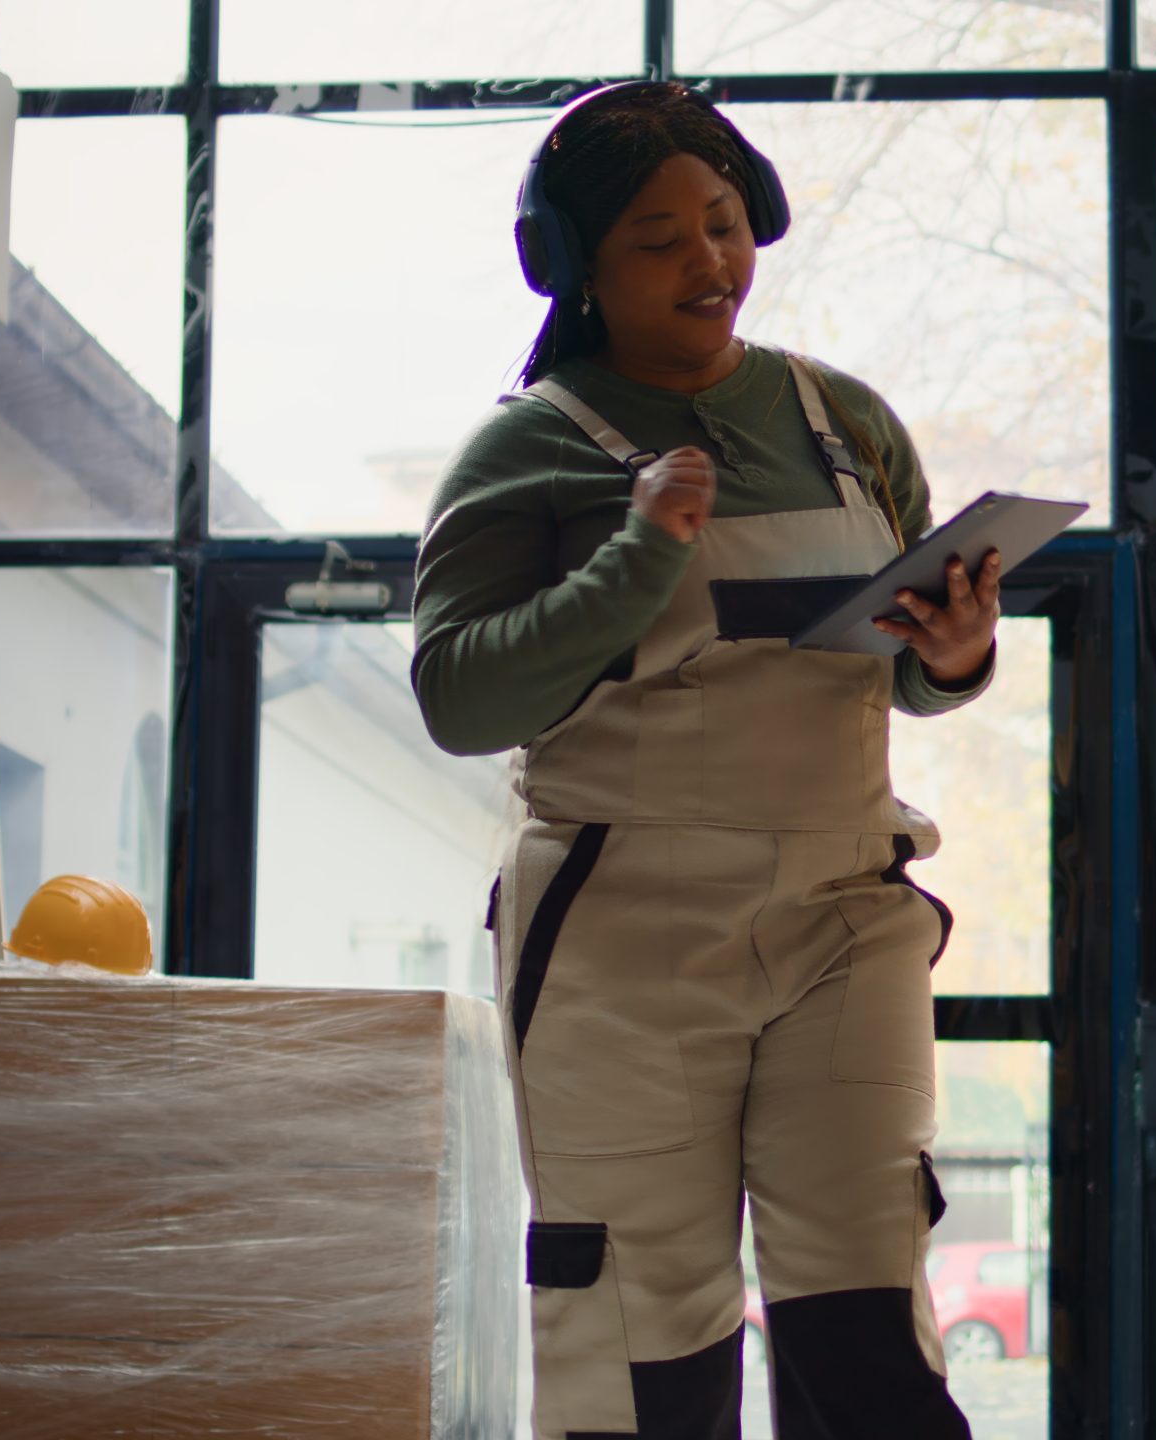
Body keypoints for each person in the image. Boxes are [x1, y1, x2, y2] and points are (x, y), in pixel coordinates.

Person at [413, 82, 1001, 1439]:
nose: (709, 262)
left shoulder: (843, 420)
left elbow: (907, 671)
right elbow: (459, 693)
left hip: (845, 904)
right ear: (578, 270)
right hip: (626, 924)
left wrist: (956, 650)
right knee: (641, 1327)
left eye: (727, 224)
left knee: (866, 1303)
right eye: (658, 238)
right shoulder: (530, 445)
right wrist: (639, 563)